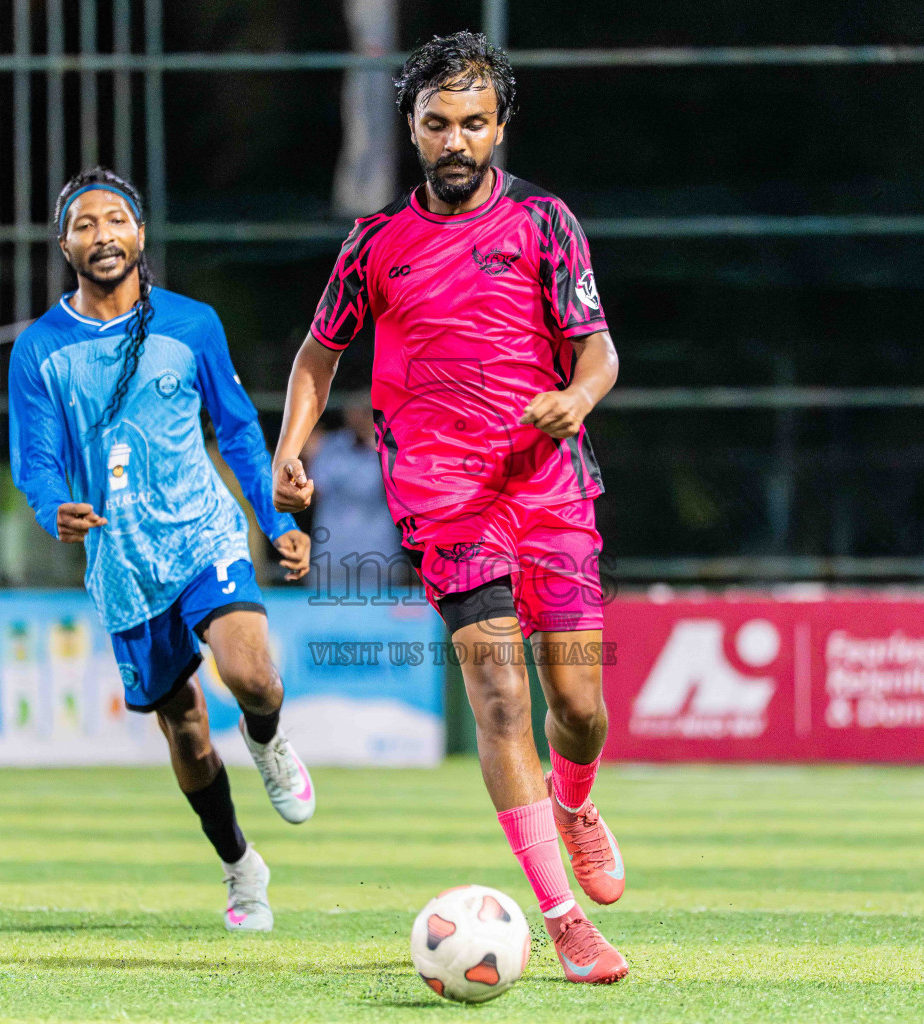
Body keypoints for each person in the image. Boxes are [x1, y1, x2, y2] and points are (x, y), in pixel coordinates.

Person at [272, 33, 628, 983]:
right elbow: (318, 354)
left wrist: (577, 399)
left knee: (579, 707)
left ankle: (579, 804)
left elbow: (599, 352)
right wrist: (288, 451)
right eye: (439, 123)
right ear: (413, 129)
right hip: (446, 503)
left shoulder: (548, 225)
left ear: (500, 126)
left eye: (474, 122)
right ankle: (563, 924)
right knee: (500, 697)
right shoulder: (375, 245)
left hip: (551, 489)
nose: (457, 139)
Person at [8, 168, 316, 933]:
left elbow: (238, 429)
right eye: (85, 223)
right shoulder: (39, 350)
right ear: (65, 244)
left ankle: (270, 739)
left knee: (252, 674)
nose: (102, 233)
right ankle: (242, 868)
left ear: (141, 235)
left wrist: (275, 524)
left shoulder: (192, 324)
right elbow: (35, 461)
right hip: (122, 563)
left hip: (203, 531)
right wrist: (54, 509)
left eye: (116, 219)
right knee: (183, 727)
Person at [308, 397, 408, 602]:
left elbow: (399, 494)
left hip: (379, 556)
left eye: (367, 409)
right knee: (323, 625)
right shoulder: (328, 445)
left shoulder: (395, 446)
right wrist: (308, 456)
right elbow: (313, 492)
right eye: (356, 408)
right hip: (332, 556)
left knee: (379, 628)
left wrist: (382, 449)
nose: (361, 414)